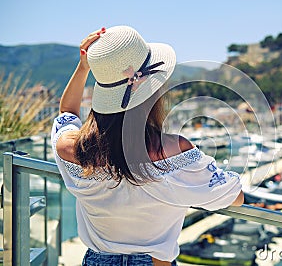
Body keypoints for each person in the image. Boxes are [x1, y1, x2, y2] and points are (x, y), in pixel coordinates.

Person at [51, 25, 244, 266]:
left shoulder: (71, 149)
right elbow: (235, 197)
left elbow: (67, 112)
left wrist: (83, 68)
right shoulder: (174, 151)